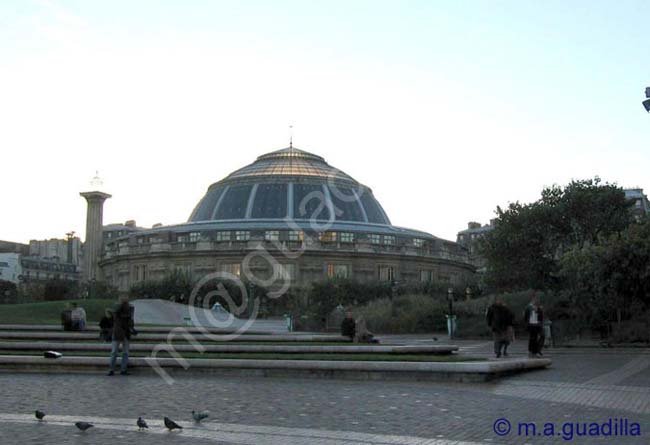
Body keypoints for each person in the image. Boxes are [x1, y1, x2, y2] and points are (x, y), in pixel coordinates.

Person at [108, 296, 135, 376]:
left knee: (120, 352)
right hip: (119, 332)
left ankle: (117, 369)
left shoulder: (129, 309)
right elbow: (117, 317)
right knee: (116, 352)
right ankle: (114, 369)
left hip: (123, 332)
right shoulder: (118, 308)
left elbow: (131, 319)